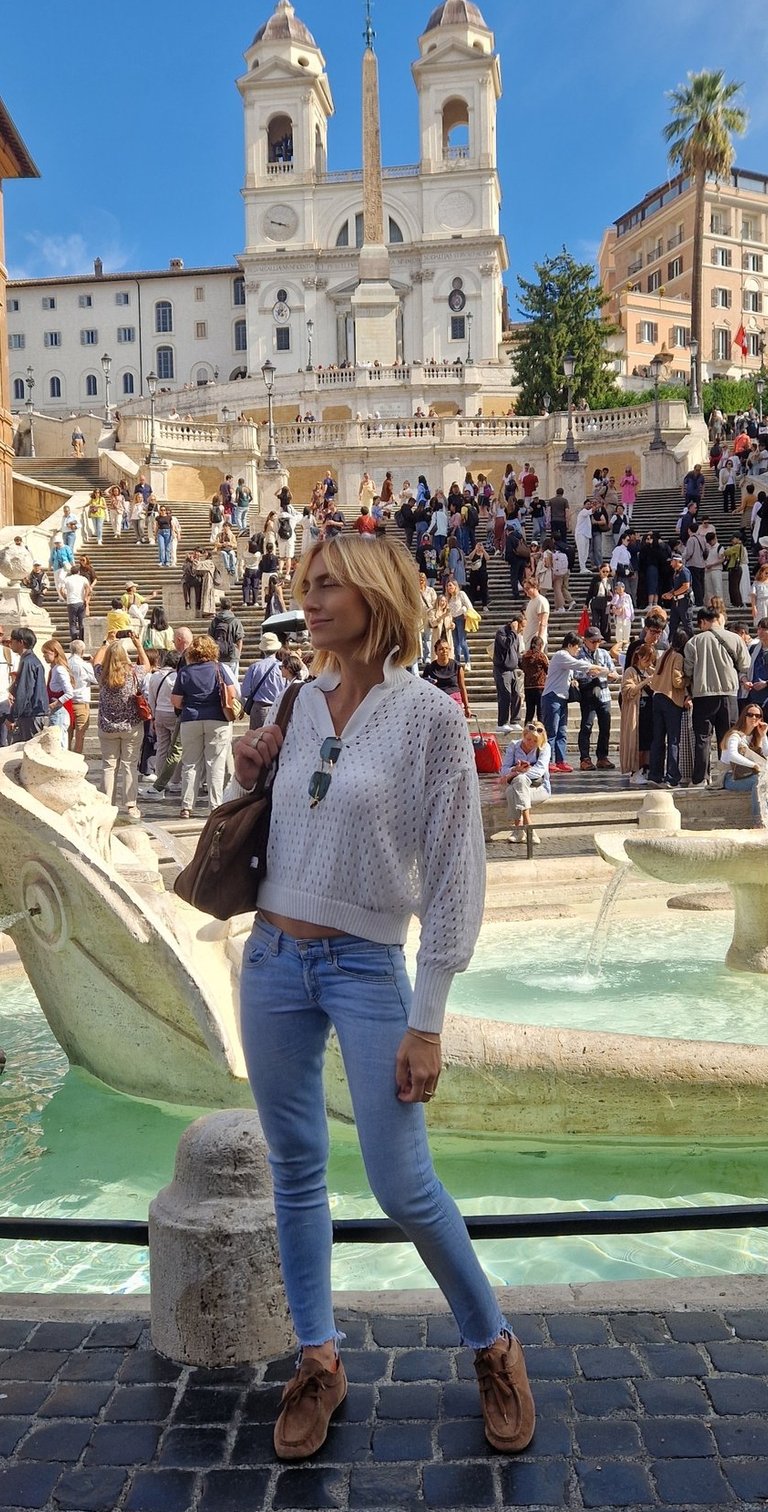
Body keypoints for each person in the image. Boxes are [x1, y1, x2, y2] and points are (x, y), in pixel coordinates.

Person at [230, 533, 535, 1461]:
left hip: (368, 967)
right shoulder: (296, 700)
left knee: (404, 1183)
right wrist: (247, 767)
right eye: (305, 586)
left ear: (374, 595)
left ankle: (493, 1343)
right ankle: (319, 1361)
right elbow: (273, 825)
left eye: (327, 587)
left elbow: (454, 874)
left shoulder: (430, 720)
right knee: (294, 1169)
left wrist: (428, 1016)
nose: (309, 602)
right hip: (274, 956)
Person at [172, 634, 237, 818]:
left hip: (191, 719)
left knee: (190, 763)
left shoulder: (185, 672)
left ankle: (186, 806)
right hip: (217, 719)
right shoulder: (219, 668)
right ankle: (215, 806)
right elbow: (231, 694)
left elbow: (176, 701)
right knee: (215, 764)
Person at [684, 606, 749, 787]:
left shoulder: (694, 642)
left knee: (702, 738)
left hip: (703, 694)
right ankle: (726, 777)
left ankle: (700, 778)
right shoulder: (735, 638)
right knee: (728, 737)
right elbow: (745, 664)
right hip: (729, 694)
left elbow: (687, 669)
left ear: (703, 621)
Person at [91, 632, 151, 818]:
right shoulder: (133, 673)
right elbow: (147, 665)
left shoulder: (102, 674)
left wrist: (106, 642)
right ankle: (131, 805)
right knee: (129, 765)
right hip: (131, 727)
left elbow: (96, 661)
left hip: (107, 727)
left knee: (108, 766)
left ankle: (106, 803)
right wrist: (138, 644)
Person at [541, 633, 603, 773]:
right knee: (551, 731)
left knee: (562, 731)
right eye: (577, 647)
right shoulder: (561, 655)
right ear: (569, 645)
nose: (578, 650)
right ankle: (548, 761)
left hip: (562, 698)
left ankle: (560, 760)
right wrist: (596, 667)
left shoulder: (567, 659)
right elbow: (578, 665)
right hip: (552, 697)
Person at [648, 630, 690, 788]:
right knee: (673, 740)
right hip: (671, 698)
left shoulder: (665, 653)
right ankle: (672, 777)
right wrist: (687, 680)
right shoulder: (678, 656)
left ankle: (655, 774)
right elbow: (677, 680)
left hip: (657, 696)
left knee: (658, 738)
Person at [501, 720, 551, 843]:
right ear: (523, 736)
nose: (531, 744)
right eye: (529, 740)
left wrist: (515, 774)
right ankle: (529, 827)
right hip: (523, 788)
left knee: (512, 789)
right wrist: (515, 768)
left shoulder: (545, 747)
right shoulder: (514, 745)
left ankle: (518, 829)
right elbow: (503, 770)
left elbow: (539, 771)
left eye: (535, 741)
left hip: (539, 788)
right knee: (517, 784)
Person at [577, 628, 618, 771]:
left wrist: (610, 675)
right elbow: (575, 673)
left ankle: (602, 756)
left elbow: (613, 672)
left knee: (605, 727)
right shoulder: (579, 654)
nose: (596, 644)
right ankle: (585, 758)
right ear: (585, 640)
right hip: (588, 693)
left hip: (604, 693)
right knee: (586, 726)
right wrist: (589, 673)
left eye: (598, 641)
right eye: (593, 641)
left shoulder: (604, 654)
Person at [720, 705, 768, 824]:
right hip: (730, 777)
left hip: (747, 775)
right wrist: (754, 765)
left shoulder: (755, 737)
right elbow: (732, 755)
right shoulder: (734, 735)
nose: (754, 718)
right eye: (750, 715)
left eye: (758, 716)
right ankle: (758, 821)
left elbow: (766, 754)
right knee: (758, 781)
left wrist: (763, 735)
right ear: (744, 717)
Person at [619, 644, 655, 785]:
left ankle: (645, 768)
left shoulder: (650, 670)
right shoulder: (630, 671)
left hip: (649, 709)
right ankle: (635, 771)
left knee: (648, 742)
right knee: (638, 742)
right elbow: (627, 691)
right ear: (639, 657)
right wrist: (644, 682)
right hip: (636, 709)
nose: (649, 663)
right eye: (647, 660)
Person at [8, 629, 48, 742]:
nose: (10, 643)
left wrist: (13, 717)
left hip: (31, 713)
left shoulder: (28, 661)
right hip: (37, 712)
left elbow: (24, 691)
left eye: (12, 640)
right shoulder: (32, 660)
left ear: (21, 642)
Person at [242, 632, 286, 729]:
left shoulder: (254, 667)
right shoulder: (283, 667)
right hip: (278, 708)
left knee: (257, 740)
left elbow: (245, 692)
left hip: (259, 708)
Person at [421, 637, 472, 718]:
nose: (444, 651)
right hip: (437, 701)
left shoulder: (457, 666)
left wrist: (467, 707)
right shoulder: (429, 668)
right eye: (441, 649)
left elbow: (462, 687)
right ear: (436, 652)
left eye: (446, 648)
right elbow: (424, 690)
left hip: (454, 700)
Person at [40, 639, 74, 750]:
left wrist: (56, 703)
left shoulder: (59, 669)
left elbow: (69, 692)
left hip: (60, 711)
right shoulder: (54, 669)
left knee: (59, 745)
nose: (44, 656)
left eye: (46, 653)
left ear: (55, 652)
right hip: (56, 712)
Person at [493, 617, 524, 733]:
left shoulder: (516, 636)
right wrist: (513, 631)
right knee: (505, 695)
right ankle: (502, 722)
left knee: (517, 694)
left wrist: (521, 665)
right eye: (522, 626)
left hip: (513, 669)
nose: (522, 629)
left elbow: (516, 652)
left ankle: (514, 720)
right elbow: (506, 644)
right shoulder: (502, 632)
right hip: (502, 669)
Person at [67, 639, 97, 755]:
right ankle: (77, 758)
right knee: (80, 735)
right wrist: (93, 663)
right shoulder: (85, 665)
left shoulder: (65, 663)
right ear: (83, 651)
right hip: (81, 702)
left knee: (67, 735)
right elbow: (96, 679)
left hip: (68, 702)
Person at [662, 552, 694, 639]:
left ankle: (691, 641)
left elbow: (686, 586)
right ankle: (671, 642)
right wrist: (669, 593)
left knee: (687, 623)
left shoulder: (684, 571)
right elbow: (676, 587)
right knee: (673, 623)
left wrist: (672, 594)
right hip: (676, 601)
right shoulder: (676, 572)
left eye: (672, 561)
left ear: (677, 561)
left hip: (684, 601)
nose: (670, 563)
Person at [208, 596, 244, 671]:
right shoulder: (236, 621)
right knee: (233, 680)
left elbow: (209, 638)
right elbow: (239, 640)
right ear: (231, 607)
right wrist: (238, 653)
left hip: (218, 655)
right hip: (232, 656)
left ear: (220, 607)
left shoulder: (215, 621)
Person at [58, 565, 91, 642]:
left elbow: (61, 590)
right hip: (81, 602)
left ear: (71, 572)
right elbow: (88, 588)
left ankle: (74, 639)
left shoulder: (67, 579)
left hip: (71, 602)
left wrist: (65, 597)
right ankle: (82, 639)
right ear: (78, 572)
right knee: (82, 622)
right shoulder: (83, 579)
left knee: (72, 623)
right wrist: (85, 597)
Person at [520, 635, 548, 722]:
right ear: (540, 645)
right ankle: (541, 731)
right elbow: (547, 668)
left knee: (529, 712)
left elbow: (522, 667)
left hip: (528, 686)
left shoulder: (525, 656)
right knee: (541, 712)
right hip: (539, 686)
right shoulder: (541, 656)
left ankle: (527, 731)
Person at [522, 578, 549, 650]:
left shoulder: (541, 601)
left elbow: (543, 622)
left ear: (535, 587)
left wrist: (538, 640)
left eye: (528, 588)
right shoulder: (531, 601)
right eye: (524, 589)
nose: (526, 591)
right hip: (528, 639)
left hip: (535, 641)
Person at [610, 581, 634, 654]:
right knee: (619, 630)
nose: (620, 589)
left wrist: (632, 615)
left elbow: (630, 605)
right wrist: (616, 597)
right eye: (618, 588)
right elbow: (613, 604)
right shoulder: (615, 596)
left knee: (626, 629)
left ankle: (626, 643)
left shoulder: (627, 596)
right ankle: (619, 644)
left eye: (621, 588)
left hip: (626, 615)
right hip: (619, 615)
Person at [574, 500, 594, 573]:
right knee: (581, 551)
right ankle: (582, 567)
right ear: (584, 505)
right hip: (580, 534)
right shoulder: (583, 511)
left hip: (586, 535)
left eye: (590, 504)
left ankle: (584, 567)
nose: (589, 505)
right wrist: (597, 506)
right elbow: (591, 511)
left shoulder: (587, 514)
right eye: (587, 504)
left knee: (585, 552)